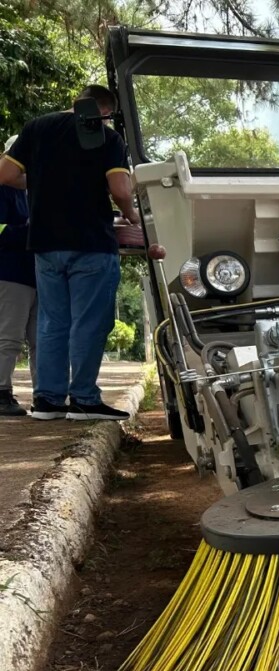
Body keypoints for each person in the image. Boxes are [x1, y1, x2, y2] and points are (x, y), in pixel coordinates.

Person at [0, 84, 139, 421]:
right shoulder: (108, 138)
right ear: (105, 112)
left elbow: (6, 174)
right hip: (91, 241)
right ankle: (84, 400)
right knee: (90, 322)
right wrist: (133, 215)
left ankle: (47, 400)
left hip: (45, 243)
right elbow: (120, 189)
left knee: (52, 321)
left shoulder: (37, 127)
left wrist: (45, 180)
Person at [0, 135, 36, 416]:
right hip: (10, 272)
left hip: (36, 274)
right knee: (9, 337)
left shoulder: (30, 192)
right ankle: (1, 392)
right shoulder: (3, 189)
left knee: (41, 339)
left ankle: (47, 392)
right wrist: (33, 230)